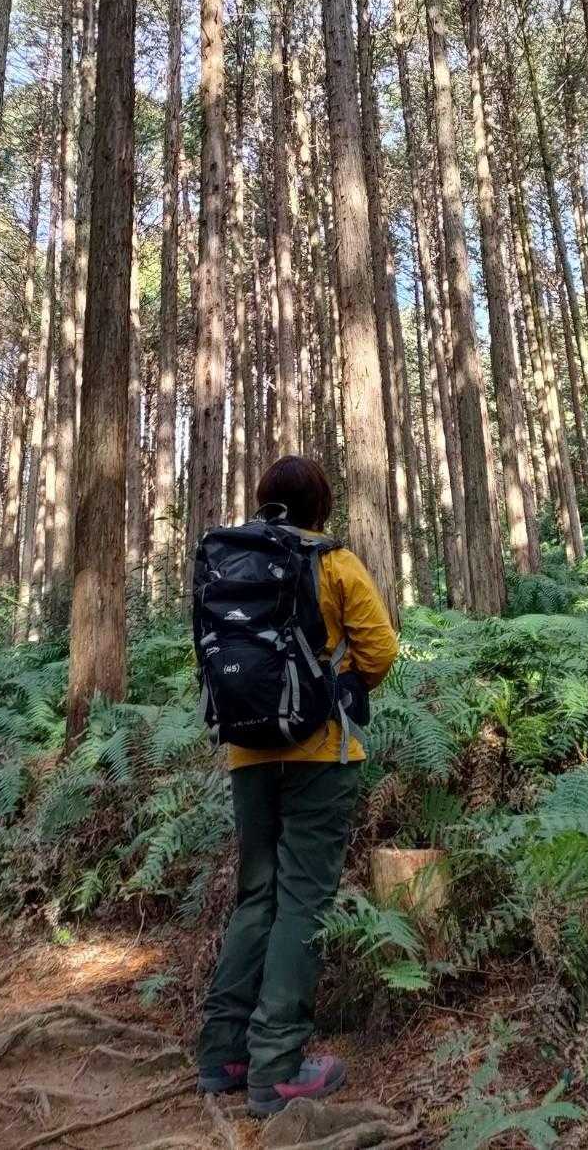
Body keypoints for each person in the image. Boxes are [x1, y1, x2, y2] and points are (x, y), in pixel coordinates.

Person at [196, 455, 400, 1116]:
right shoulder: (332, 561)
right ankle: (277, 1068)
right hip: (321, 753)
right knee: (303, 900)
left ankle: (223, 1053)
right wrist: (341, 685)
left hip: (247, 754)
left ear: (264, 500)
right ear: (322, 505)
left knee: (256, 895)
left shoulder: (232, 562)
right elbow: (382, 650)